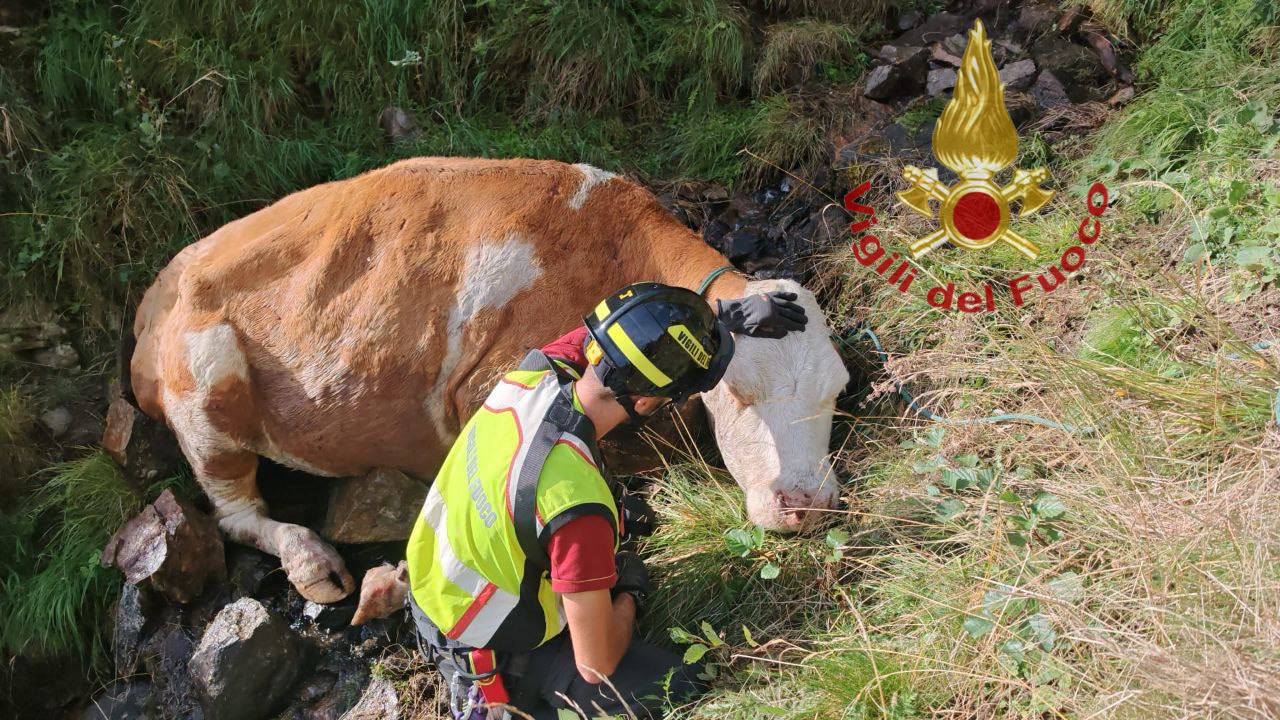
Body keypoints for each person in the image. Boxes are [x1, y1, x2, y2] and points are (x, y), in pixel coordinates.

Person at [405, 281, 807, 719]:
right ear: (648, 400)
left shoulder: (535, 372)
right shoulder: (577, 505)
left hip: (435, 576)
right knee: (675, 684)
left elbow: (630, 334)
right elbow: (595, 665)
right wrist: (629, 592)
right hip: (486, 642)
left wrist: (723, 316)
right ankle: (521, 691)